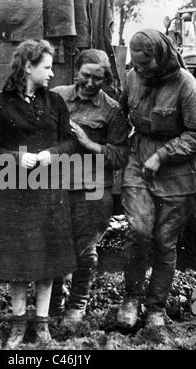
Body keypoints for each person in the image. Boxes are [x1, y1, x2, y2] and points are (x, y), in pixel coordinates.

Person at [0, 39, 77, 349]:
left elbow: (69, 142)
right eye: (47, 67)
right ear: (28, 67)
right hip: (16, 190)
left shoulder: (56, 104)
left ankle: (42, 325)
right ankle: (18, 324)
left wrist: (53, 152)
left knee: (48, 260)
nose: (51, 74)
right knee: (18, 263)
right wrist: (12, 157)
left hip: (49, 189)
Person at [116, 29, 196, 329]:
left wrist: (163, 156)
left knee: (165, 241)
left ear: (161, 57)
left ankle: (154, 308)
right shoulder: (132, 78)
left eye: (145, 65)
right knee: (139, 231)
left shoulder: (186, 85)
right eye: (136, 65)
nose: (140, 71)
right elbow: (120, 113)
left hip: (177, 172)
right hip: (139, 161)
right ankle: (130, 298)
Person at [49, 49, 129, 326]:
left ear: (106, 77)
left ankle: (77, 305)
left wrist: (88, 142)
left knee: (84, 252)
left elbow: (119, 156)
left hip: (92, 188)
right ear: (76, 71)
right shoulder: (56, 96)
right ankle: (54, 304)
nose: (91, 83)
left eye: (98, 77)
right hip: (54, 183)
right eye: (86, 75)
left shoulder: (112, 109)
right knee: (54, 247)